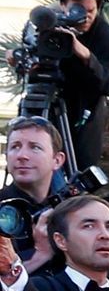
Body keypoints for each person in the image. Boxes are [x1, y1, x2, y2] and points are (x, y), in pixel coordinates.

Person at [50, 0, 109, 172]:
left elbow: (108, 85)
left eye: (91, 11)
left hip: (82, 122)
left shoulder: (105, 36)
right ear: (63, 5)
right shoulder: (50, 25)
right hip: (48, 107)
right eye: (78, 10)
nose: (86, 16)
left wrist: (85, 55)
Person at [0, 116, 68, 273]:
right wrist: (41, 255)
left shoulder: (70, 210)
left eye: (35, 147)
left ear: (57, 160)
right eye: (15, 147)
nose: (22, 155)